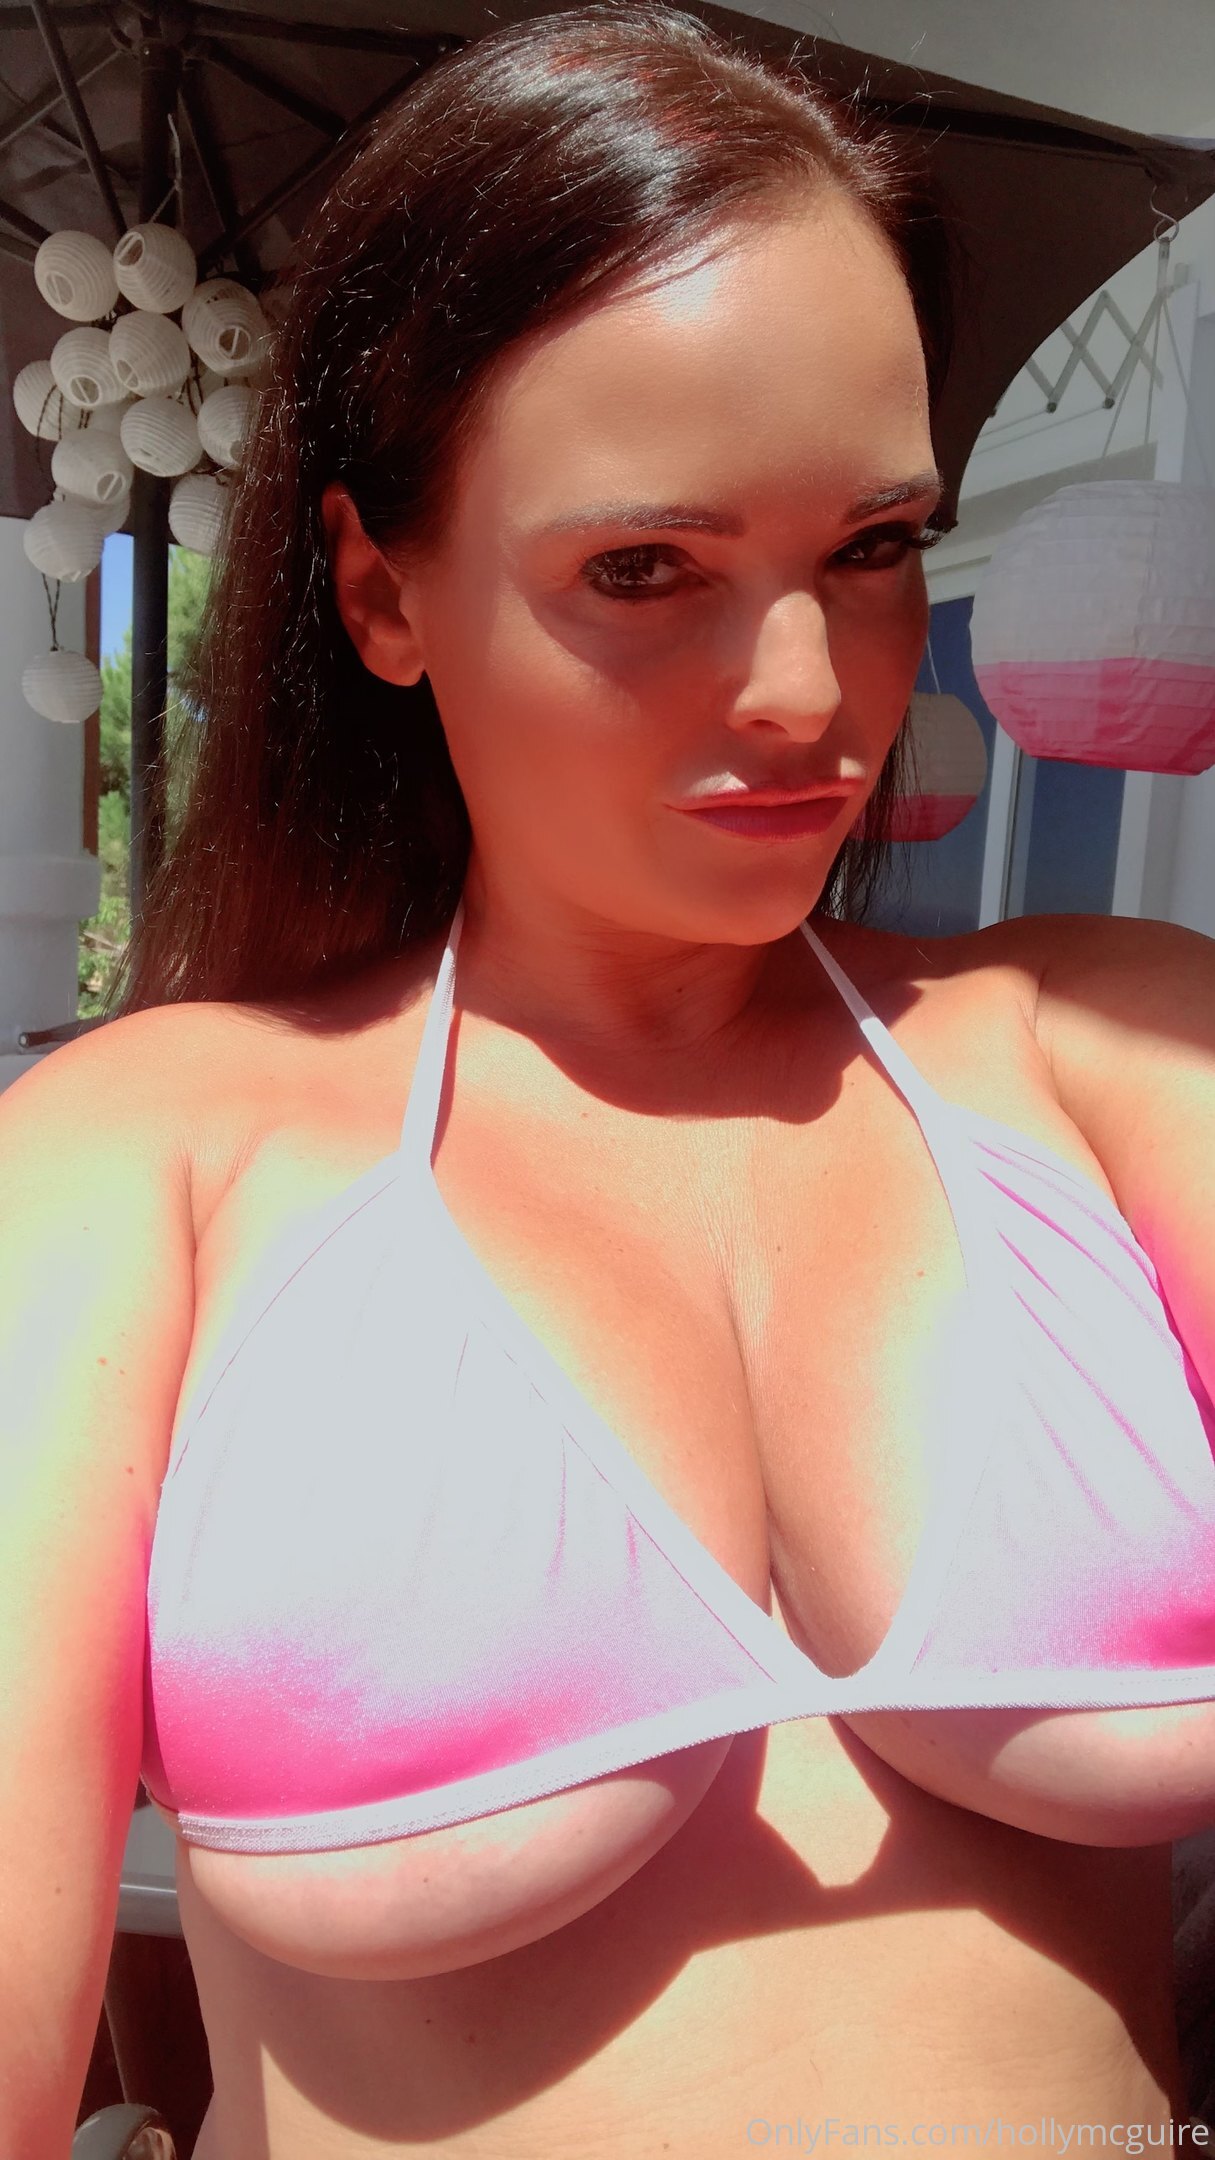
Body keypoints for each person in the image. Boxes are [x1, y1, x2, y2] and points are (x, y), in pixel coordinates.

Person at [5, 7, 1215, 2156]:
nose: (809, 691)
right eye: (643, 570)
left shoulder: (1119, 1055)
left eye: (870, 546)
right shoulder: (140, 1167)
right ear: (381, 589)